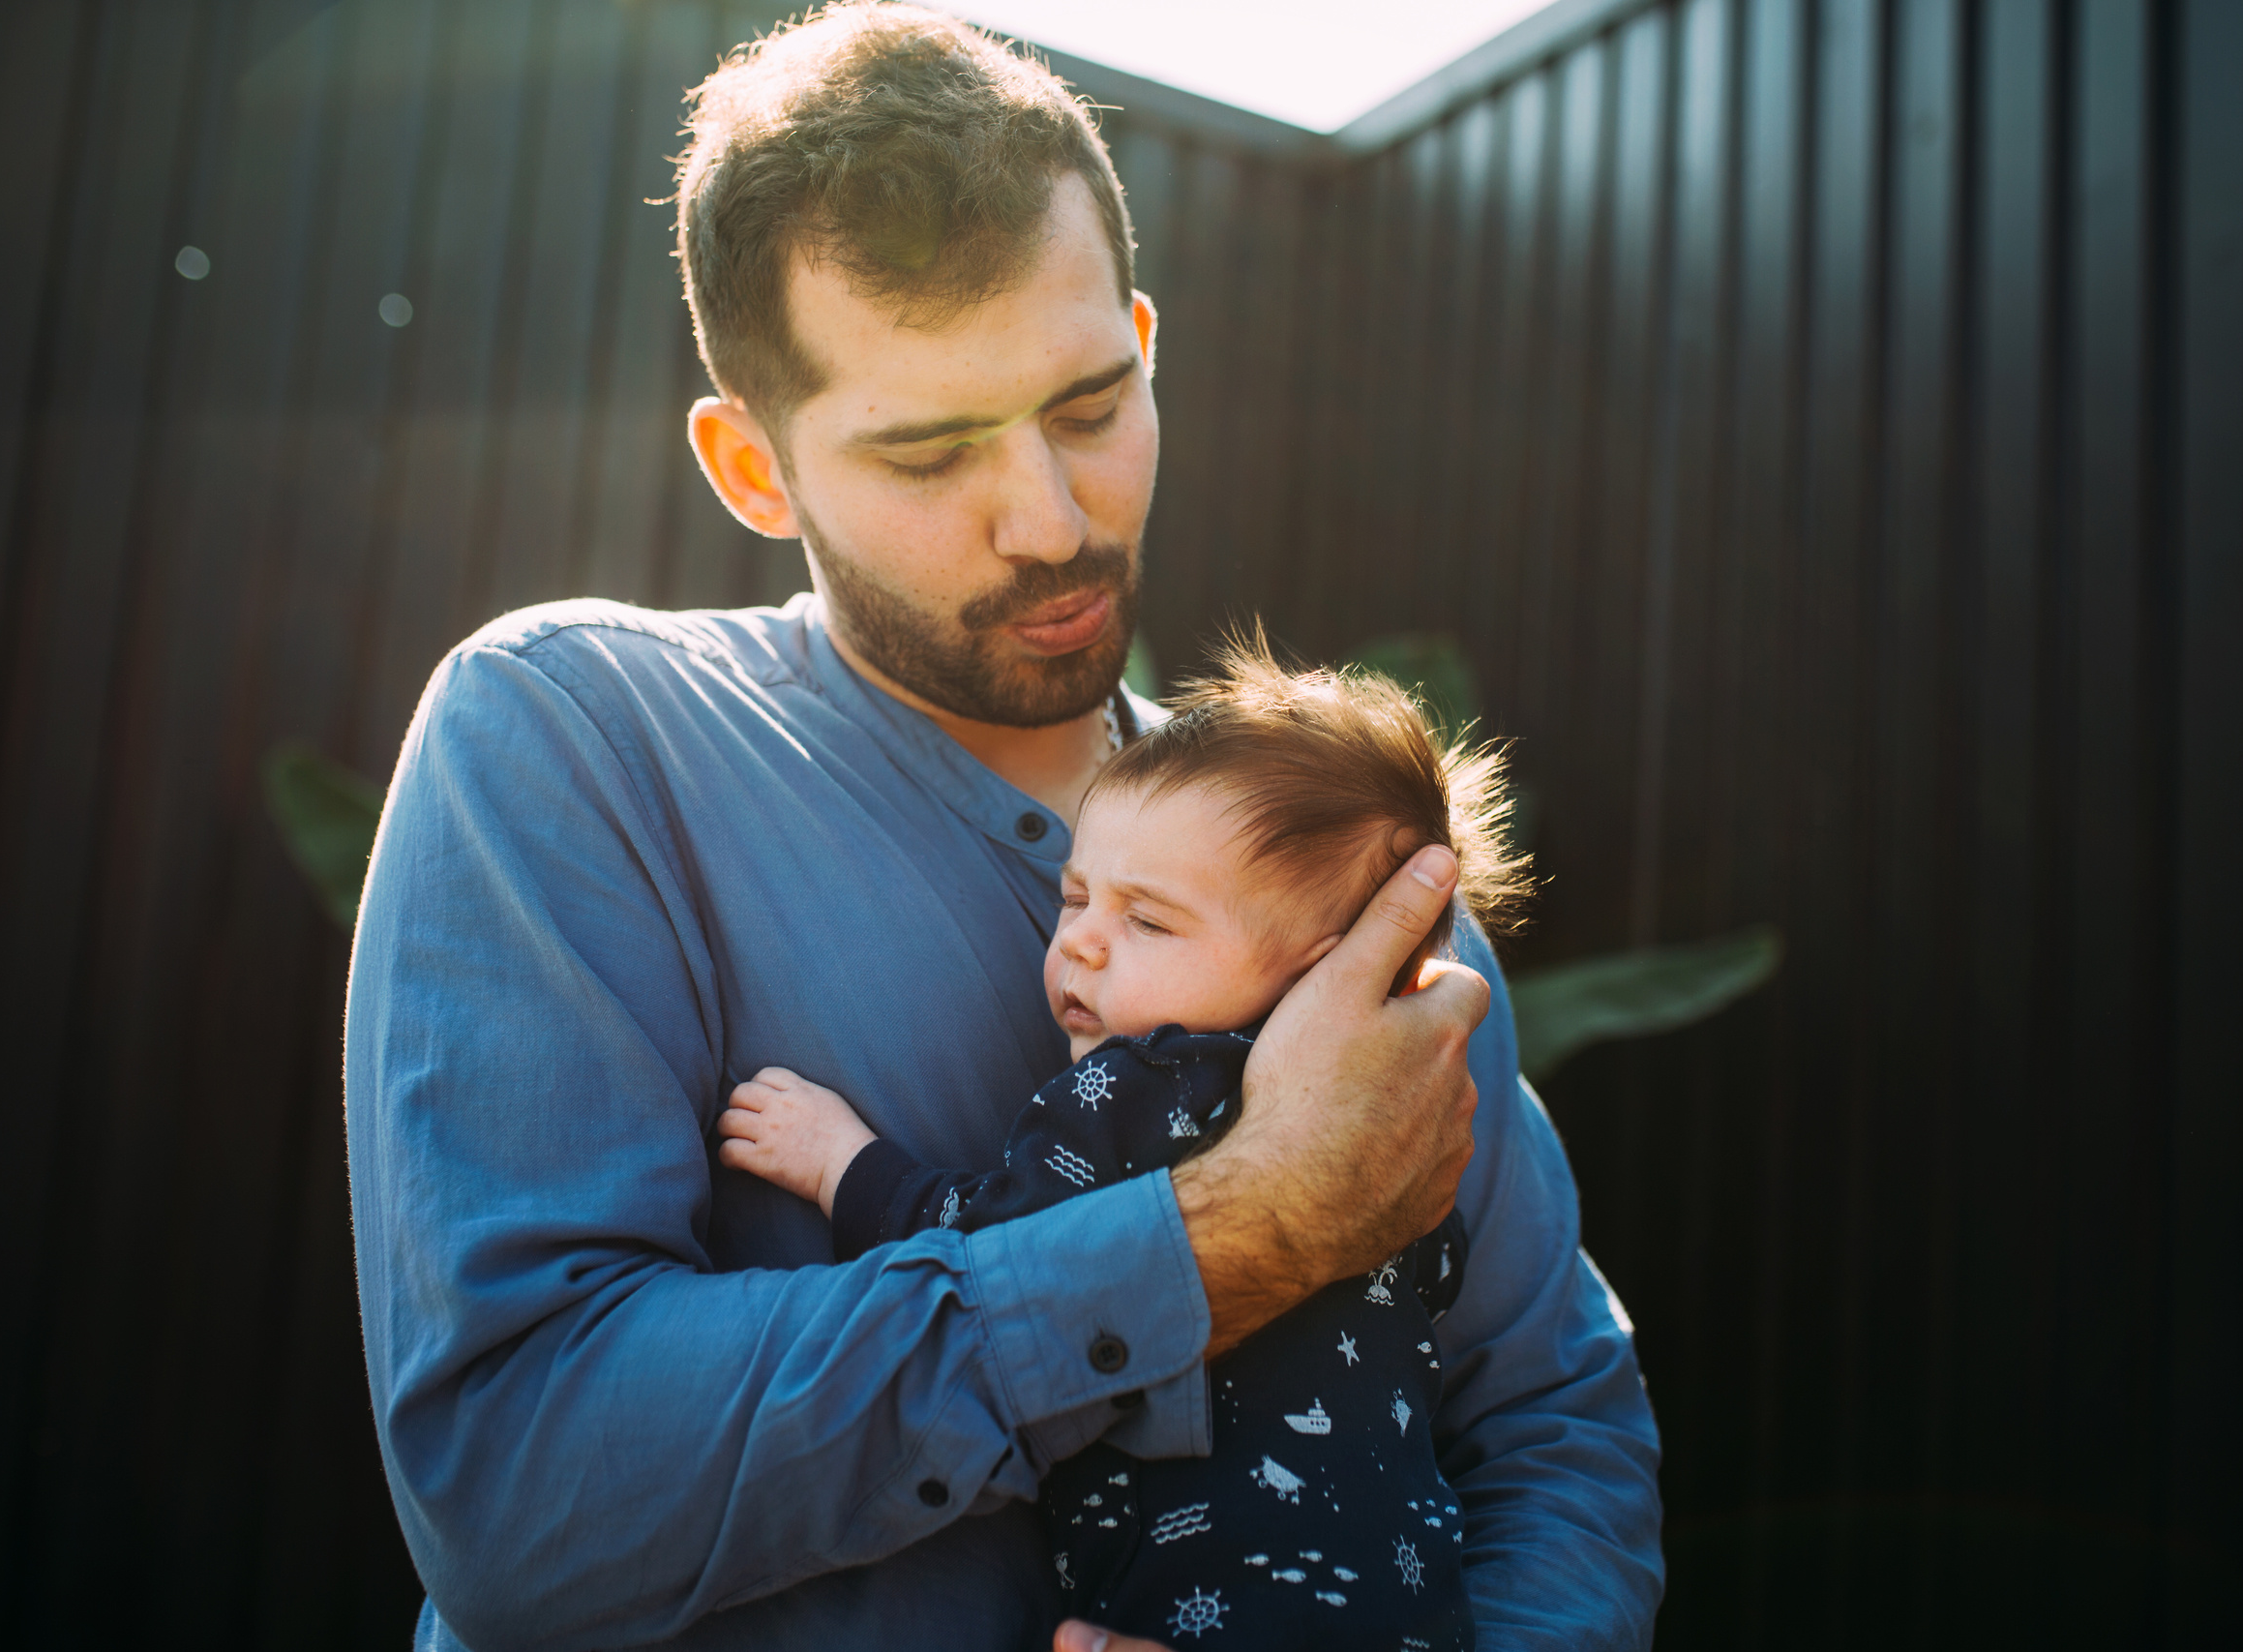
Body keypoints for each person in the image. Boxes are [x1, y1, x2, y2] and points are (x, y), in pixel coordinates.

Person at [343, 6, 1663, 1650]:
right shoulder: (571, 739)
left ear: (1145, 338)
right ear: (754, 466)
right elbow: (520, 1488)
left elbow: (1553, 1429)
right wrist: (1240, 1230)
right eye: (928, 448)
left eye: (1092, 404)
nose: (1050, 517)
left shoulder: (1345, 864)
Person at [724, 642, 1529, 1648]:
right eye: (1075, 897)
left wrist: (839, 1160)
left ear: (1322, 976)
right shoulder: (1394, 1128)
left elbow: (1003, 1257)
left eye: (1147, 920)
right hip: (1409, 1601)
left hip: (1220, 1597)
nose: (1084, 943)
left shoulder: (1142, 1088)